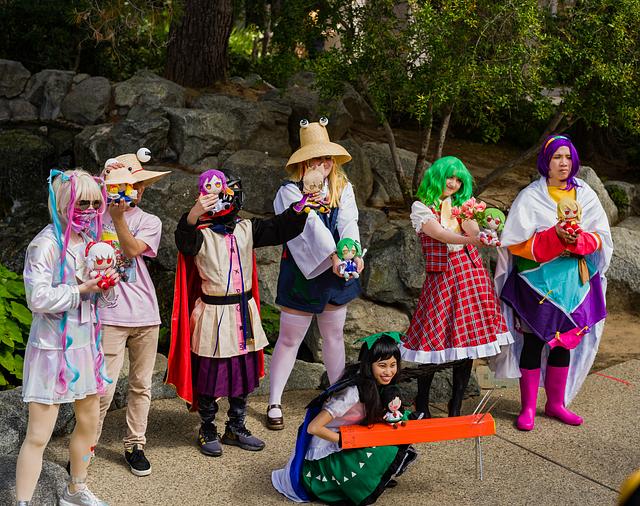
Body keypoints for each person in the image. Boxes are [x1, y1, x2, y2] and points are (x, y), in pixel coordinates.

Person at [167, 169, 308, 457]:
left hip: (243, 311)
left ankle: (236, 426)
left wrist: (301, 205)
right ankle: (208, 428)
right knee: (211, 374)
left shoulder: (246, 228)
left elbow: (280, 227)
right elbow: (183, 240)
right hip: (213, 312)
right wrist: (194, 213)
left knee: (242, 372)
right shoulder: (199, 233)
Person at [493, 135, 612, 431]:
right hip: (537, 282)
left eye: (568, 157)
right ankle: (527, 408)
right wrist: (554, 237)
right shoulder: (530, 196)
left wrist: (578, 240)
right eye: (557, 157)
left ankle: (556, 404)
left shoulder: (586, 194)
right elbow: (515, 242)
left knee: (564, 343)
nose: (563, 163)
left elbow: (601, 236)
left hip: (572, 284)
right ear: (546, 161)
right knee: (533, 342)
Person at [16, 169, 118, 506]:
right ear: (62, 203)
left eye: (95, 203)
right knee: (38, 435)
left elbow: (105, 299)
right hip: (51, 350)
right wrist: (81, 289)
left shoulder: (91, 243)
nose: (89, 210)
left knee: (90, 421)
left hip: (85, 346)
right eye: (81, 203)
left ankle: (76, 488)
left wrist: (107, 285)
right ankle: (23, 502)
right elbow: (37, 298)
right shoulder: (44, 245)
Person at [267, 118, 363, 430]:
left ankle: (338, 398)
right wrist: (333, 255)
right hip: (303, 270)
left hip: (337, 271)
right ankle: (274, 402)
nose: (323, 165)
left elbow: (349, 222)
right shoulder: (289, 192)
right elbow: (309, 227)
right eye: (316, 159)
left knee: (333, 336)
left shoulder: (342, 187)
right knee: (289, 338)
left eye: (327, 159)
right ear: (304, 162)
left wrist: (353, 252)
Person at [401, 156, 512, 418]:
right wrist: (471, 239)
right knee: (433, 339)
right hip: (443, 276)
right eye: (449, 177)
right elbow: (439, 234)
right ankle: (422, 404)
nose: (453, 183)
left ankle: (456, 406)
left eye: (458, 180)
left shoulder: (463, 204)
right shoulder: (421, 207)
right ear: (437, 177)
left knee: (469, 340)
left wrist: (480, 233)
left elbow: (471, 227)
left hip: (470, 274)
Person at [272, 332, 417, 505]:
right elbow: (313, 427)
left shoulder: (377, 384)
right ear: (369, 365)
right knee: (383, 450)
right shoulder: (352, 393)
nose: (388, 371)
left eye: (393, 365)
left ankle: (378, 476)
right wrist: (343, 440)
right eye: (382, 365)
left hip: (351, 433)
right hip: (328, 448)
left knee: (400, 425)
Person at [94, 149, 170, 476]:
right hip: (109, 315)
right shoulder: (93, 215)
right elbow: (68, 207)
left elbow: (132, 250)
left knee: (141, 385)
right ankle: (86, 445)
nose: (133, 191)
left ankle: (135, 444)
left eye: (137, 185)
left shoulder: (150, 221)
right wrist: (102, 183)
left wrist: (118, 217)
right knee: (103, 387)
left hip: (145, 315)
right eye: (125, 185)